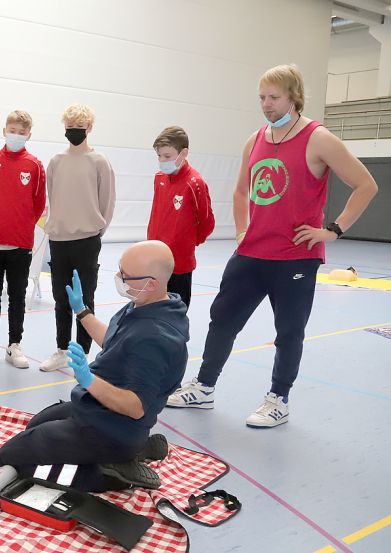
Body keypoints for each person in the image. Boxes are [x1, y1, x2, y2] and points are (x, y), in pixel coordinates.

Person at [167, 64, 378, 427]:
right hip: (251, 253)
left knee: (289, 332)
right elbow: (240, 190)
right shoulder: (257, 138)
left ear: (294, 97)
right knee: (222, 321)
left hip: (295, 256)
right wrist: (241, 231)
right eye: (262, 98)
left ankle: (278, 398)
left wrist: (333, 230)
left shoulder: (319, 138)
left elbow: (366, 184)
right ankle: (204, 387)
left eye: (274, 98)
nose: (266, 105)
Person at [0, 241, 188, 492]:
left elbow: (134, 407)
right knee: (35, 426)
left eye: (126, 276)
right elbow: (115, 340)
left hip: (111, 428)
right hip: (96, 409)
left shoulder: (154, 339)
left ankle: (111, 475)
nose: (119, 278)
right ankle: (133, 450)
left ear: (150, 283)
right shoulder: (151, 304)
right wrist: (81, 310)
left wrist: (89, 380)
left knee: (10, 458)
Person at [41, 103, 115, 372]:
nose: (74, 132)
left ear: (89, 129)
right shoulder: (56, 162)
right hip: (59, 239)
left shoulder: (99, 162)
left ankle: (82, 352)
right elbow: (53, 196)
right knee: (61, 297)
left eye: (79, 128)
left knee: (85, 298)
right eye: (69, 128)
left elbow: (106, 201)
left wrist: (94, 229)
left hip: (87, 239)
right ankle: (62, 349)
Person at [0, 110, 46, 369]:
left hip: (20, 242)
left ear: (29, 135)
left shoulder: (35, 165)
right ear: (4, 130)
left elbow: (38, 204)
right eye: (12, 130)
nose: (16, 135)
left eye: (21, 132)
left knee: (17, 294)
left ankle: (15, 345)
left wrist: (21, 223)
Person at [146, 126, 215, 308]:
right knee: (153, 314)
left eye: (167, 156)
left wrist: (186, 242)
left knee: (175, 315)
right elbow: (157, 213)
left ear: (183, 153)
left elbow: (207, 222)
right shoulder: (159, 177)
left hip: (179, 264)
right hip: (155, 262)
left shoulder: (195, 183)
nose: (162, 161)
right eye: (159, 156)